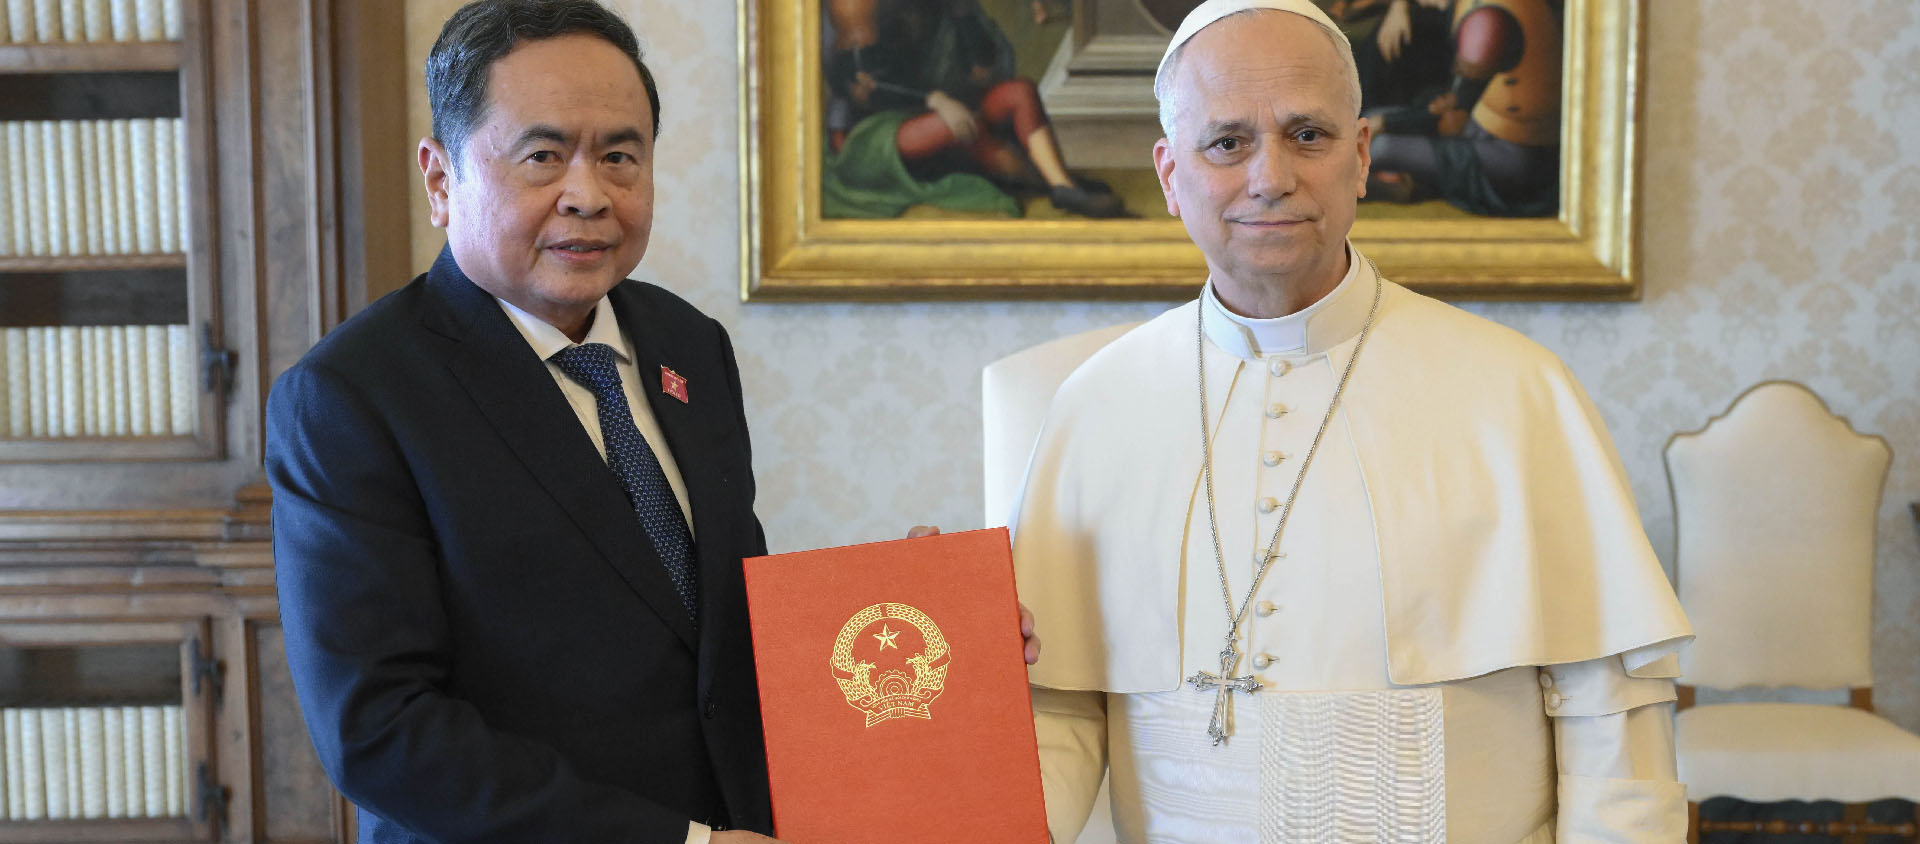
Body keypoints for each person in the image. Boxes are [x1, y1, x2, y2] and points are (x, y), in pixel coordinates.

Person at [1008, 1, 1691, 841]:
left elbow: (1611, 715)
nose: (1270, 177)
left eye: (1308, 135)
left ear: (1361, 155)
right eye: (1226, 143)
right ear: (1169, 174)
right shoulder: (1096, 405)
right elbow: (1060, 713)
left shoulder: (1516, 390)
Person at [271, 2, 779, 841]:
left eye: (620, 156)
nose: (589, 195)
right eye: (543, 156)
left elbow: (721, 625)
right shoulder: (351, 397)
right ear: (441, 180)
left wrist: (908, 608)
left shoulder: (688, 343)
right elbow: (380, 730)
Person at [821, 0, 1124, 219]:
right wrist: (935, 100)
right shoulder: (856, 6)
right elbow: (857, 84)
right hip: (869, 133)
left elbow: (984, 69)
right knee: (965, 128)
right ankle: (1049, 182)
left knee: (1019, 92)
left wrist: (964, 15)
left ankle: (1061, 185)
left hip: (945, 108)